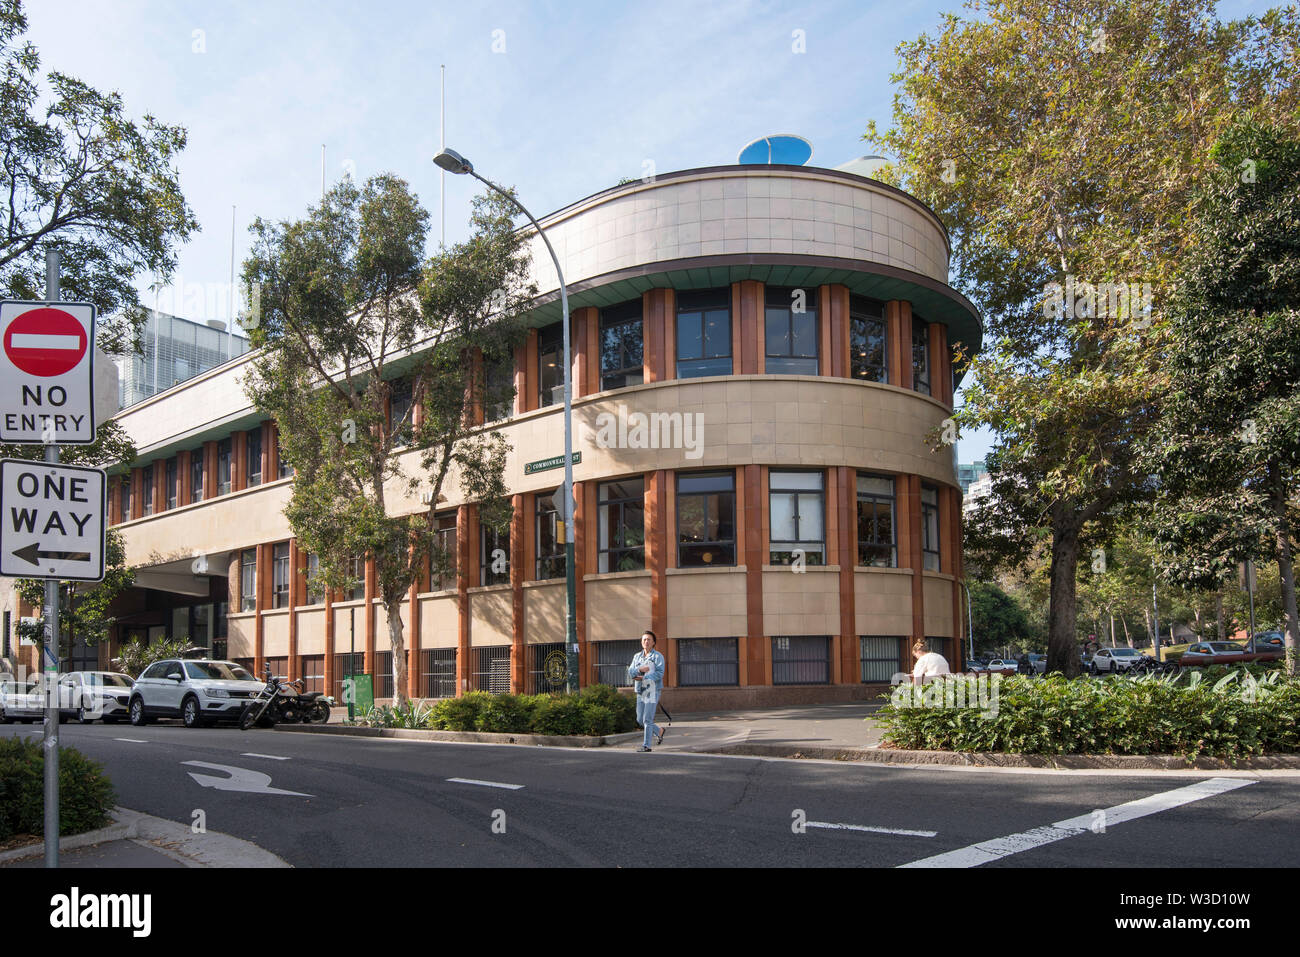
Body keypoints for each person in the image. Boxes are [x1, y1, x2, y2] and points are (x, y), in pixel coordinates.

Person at [628, 630, 665, 752]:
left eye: (649, 639)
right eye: (644, 639)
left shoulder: (658, 656)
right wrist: (640, 669)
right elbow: (630, 671)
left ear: (653, 642)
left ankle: (646, 746)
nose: (646, 641)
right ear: (641, 642)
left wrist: (645, 677)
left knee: (647, 719)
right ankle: (659, 730)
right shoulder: (636, 656)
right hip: (640, 690)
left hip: (652, 689)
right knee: (639, 719)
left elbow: (660, 673)